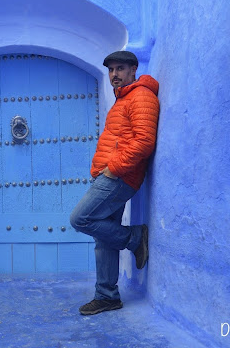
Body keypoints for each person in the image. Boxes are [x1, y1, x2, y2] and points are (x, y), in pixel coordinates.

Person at [70, 50, 160, 315]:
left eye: (120, 69)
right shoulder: (124, 99)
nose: (114, 75)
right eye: (111, 70)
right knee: (104, 236)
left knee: (80, 219)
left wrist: (113, 169)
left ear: (133, 69)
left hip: (120, 176)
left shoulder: (141, 96)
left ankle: (134, 237)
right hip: (110, 174)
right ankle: (107, 296)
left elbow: (144, 141)